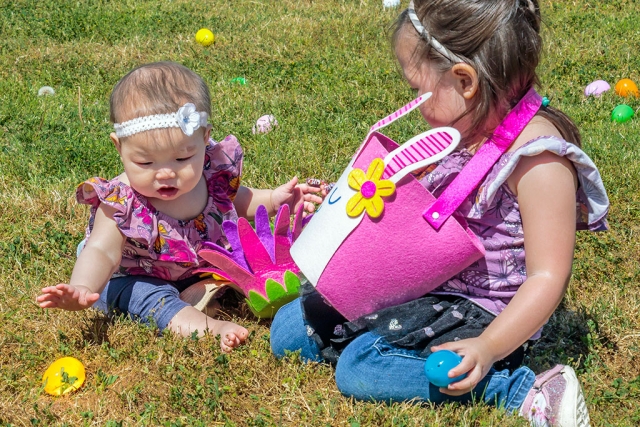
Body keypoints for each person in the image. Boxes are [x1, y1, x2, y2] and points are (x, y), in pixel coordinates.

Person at [269, 1, 608, 425]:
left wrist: (487, 347)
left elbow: (547, 277)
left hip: (483, 313)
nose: (413, 101)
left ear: (464, 81)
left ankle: (523, 389)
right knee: (288, 328)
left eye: (417, 89)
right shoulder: (467, 129)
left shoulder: (538, 160)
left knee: (360, 366)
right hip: (430, 287)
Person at [37, 61, 324, 353]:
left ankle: (207, 292)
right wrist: (84, 287)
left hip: (202, 270)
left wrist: (275, 199)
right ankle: (210, 328)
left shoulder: (211, 173)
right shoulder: (121, 202)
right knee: (148, 298)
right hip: (135, 276)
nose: (165, 173)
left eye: (182, 158)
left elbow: (238, 201)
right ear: (118, 147)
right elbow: (101, 250)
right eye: (145, 163)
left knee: (253, 264)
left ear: (204, 138)